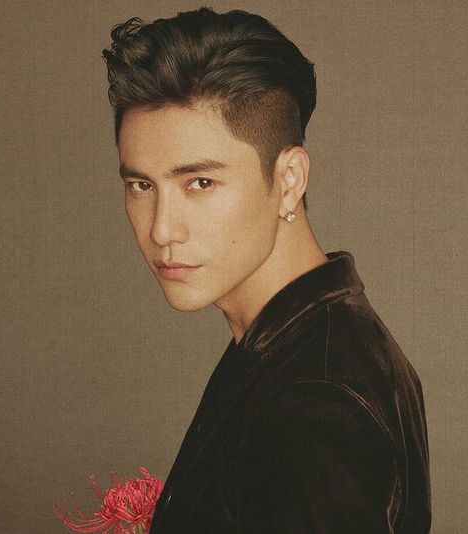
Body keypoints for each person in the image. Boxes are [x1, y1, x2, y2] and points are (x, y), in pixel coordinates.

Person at [102, 6, 431, 533]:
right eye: (141, 185)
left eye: (200, 183)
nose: (161, 230)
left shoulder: (315, 398)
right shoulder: (289, 344)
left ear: (289, 180)